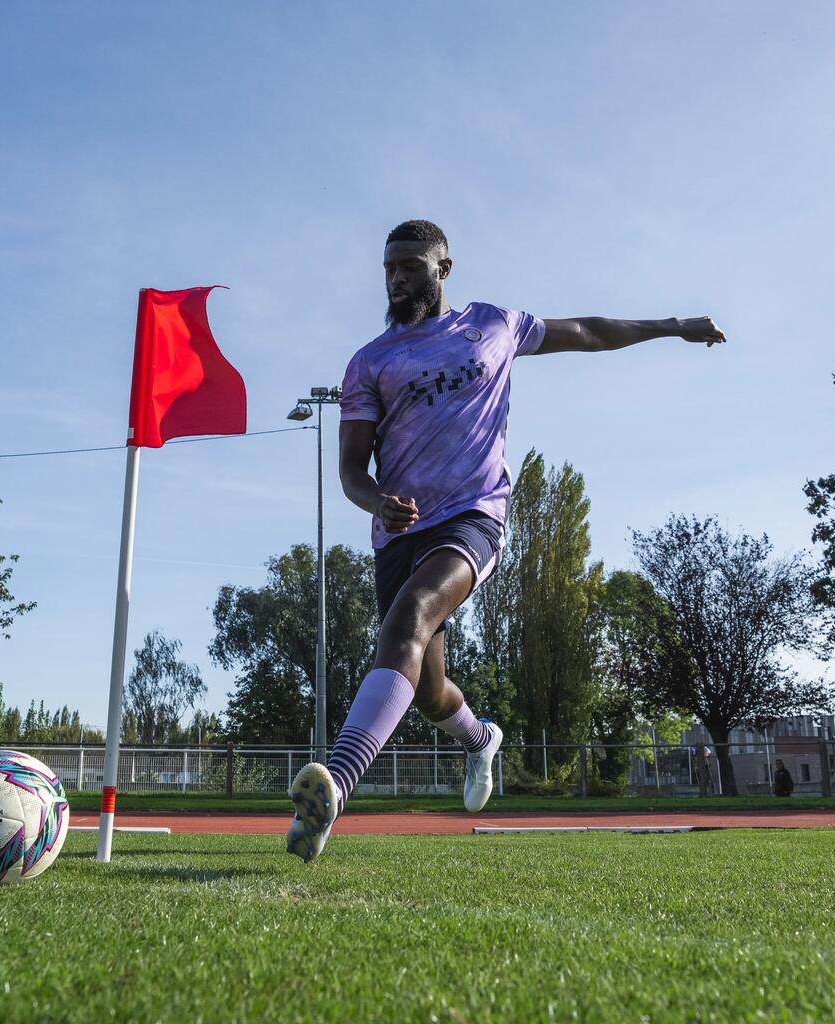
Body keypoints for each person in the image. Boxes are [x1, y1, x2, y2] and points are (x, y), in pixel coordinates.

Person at [286, 219, 726, 863]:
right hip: (399, 531)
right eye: (389, 267)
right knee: (428, 687)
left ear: (443, 268)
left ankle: (337, 785)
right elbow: (352, 468)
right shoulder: (369, 362)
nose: (397, 277)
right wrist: (377, 499)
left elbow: (590, 331)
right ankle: (477, 736)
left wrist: (673, 326)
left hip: (473, 518)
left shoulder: (494, 324)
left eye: (410, 264)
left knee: (409, 619)